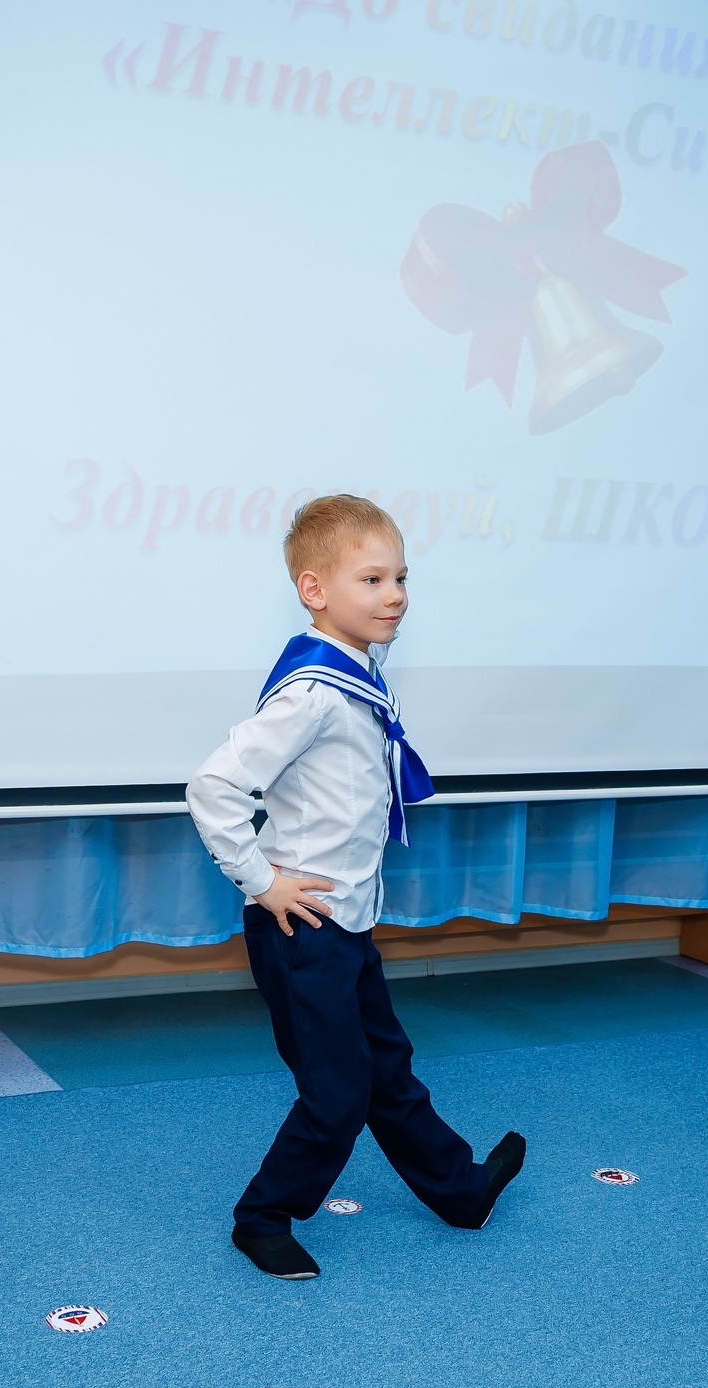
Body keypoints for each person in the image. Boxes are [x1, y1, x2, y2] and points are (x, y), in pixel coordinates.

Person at [188, 494, 527, 1279]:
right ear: (315, 590)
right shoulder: (313, 691)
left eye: (400, 577)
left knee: (387, 1066)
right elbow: (212, 787)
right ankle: (262, 1216)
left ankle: (459, 1188)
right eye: (372, 579)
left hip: (345, 921)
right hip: (302, 931)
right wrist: (262, 879)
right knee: (337, 1093)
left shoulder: (356, 677)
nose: (395, 594)